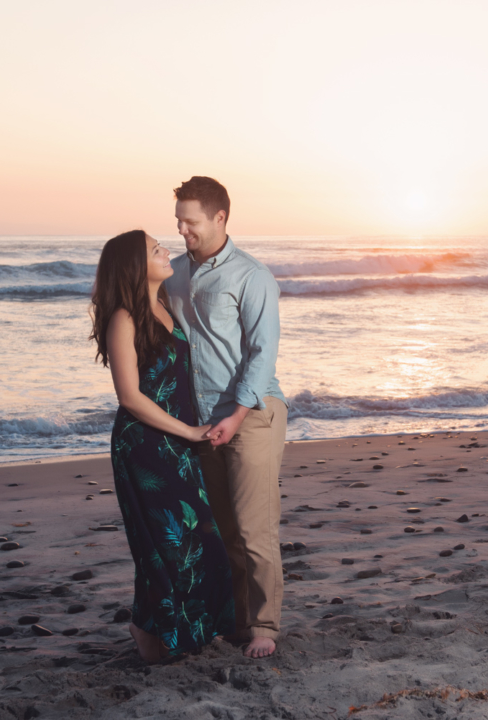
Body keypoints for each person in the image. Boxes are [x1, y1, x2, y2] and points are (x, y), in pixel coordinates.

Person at [90, 229, 235, 663]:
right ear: (136, 267)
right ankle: (147, 630)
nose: (166, 249)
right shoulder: (124, 318)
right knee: (165, 545)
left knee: (197, 539)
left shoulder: (165, 306)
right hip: (145, 445)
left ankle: (164, 631)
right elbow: (130, 397)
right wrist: (190, 432)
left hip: (178, 443)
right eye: (156, 249)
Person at [165, 177, 289, 659]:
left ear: (220, 218)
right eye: (178, 221)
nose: (182, 229)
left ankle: (263, 627)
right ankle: (236, 620)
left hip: (252, 412)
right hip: (199, 421)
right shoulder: (171, 273)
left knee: (255, 527)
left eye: (190, 221)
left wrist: (236, 415)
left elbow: (262, 354)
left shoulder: (251, 276)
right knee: (220, 530)